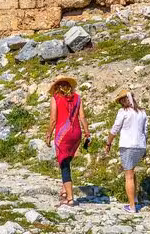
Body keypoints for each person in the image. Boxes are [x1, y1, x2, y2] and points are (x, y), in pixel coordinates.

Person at [45, 75, 90, 206]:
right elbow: (82, 117)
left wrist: (48, 134)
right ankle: (65, 190)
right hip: (76, 133)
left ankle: (70, 198)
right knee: (68, 159)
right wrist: (87, 133)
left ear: (57, 87)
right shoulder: (78, 98)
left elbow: (53, 119)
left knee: (64, 165)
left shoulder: (56, 99)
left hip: (63, 134)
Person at [106, 89, 148, 213]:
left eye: (120, 101)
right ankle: (134, 199)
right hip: (140, 145)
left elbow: (115, 129)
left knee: (128, 176)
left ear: (123, 100)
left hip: (127, 146)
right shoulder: (142, 112)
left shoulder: (123, 112)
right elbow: (145, 131)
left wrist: (108, 142)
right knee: (132, 172)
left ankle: (132, 207)